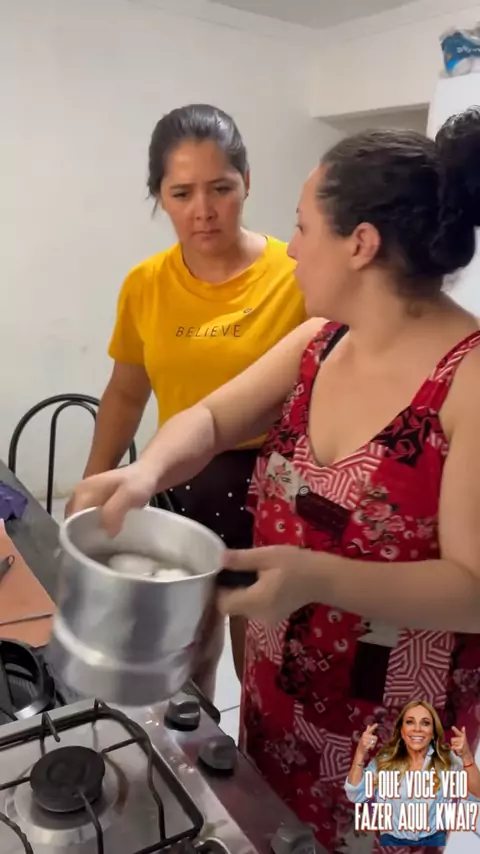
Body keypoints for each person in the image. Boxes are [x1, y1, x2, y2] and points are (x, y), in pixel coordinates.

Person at [68, 107, 480, 854]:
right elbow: (211, 418)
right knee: (273, 836)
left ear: (360, 244)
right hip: (281, 698)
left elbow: (474, 590)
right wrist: (142, 470)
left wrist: (313, 577)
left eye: (302, 226)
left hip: (406, 735)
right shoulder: (322, 341)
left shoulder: (469, 381)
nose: (290, 248)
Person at [68, 103, 306, 698]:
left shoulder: (298, 275)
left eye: (221, 188)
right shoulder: (146, 284)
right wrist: (93, 485)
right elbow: (127, 393)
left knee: (259, 667)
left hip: (272, 497)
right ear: (160, 196)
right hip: (180, 486)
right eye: (181, 193)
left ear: (246, 182)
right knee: (185, 652)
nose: (203, 210)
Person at [346, 700, 480, 847]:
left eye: (425, 723)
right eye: (410, 722)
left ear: (433, 732)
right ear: (402, 731)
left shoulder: (446, 759)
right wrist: (360, 752)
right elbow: (355, 793)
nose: (417, 729)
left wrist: (466, 756)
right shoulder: (385, 760)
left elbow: (477, 794)